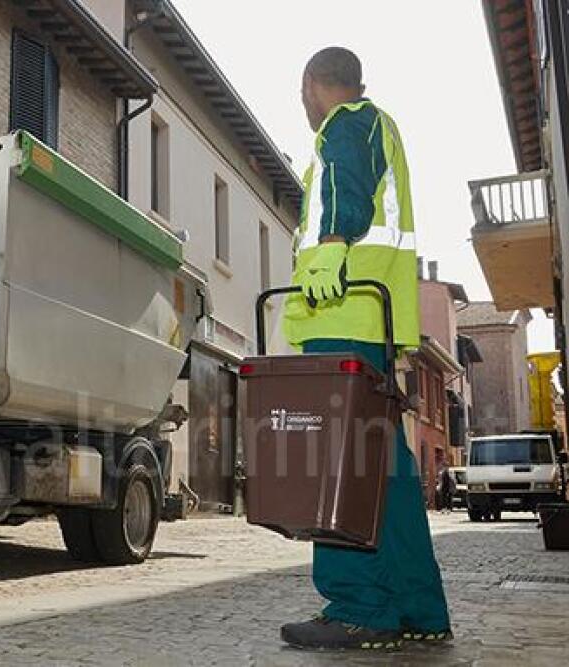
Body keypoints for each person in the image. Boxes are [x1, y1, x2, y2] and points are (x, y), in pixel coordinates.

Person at [278, 47, 452, 651]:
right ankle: (417, 606)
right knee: (387, 469)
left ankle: (358, 606)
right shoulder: (382, 127)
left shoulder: (345, 126)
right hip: (373, 318)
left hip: (342, 308)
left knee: (341, 462)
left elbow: (345, 194)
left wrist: (326, 252)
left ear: (310, 86)